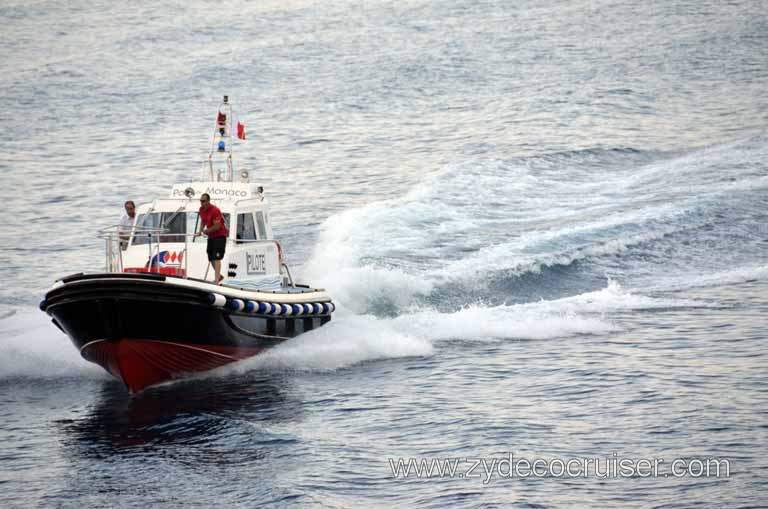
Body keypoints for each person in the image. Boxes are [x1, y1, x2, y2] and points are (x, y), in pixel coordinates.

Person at [195, 193, 229, 284]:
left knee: (217, 257)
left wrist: (206, 231)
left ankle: (216, 280)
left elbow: (217, 226)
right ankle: (219, 276)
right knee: (210, 257)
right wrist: (200, 231)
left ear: (208, 201)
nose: (202, 203)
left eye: (204, 201)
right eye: (201, 201)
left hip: (220, 236)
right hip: (211, 236)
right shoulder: (201, 210)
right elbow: (203, 220)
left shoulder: (215, 210)